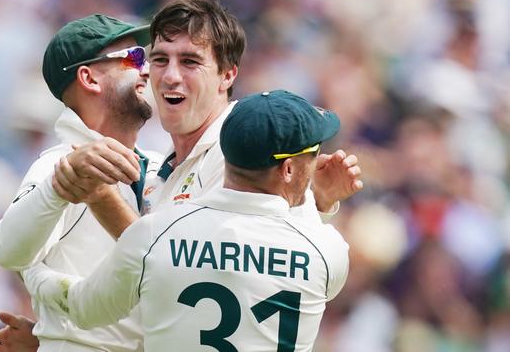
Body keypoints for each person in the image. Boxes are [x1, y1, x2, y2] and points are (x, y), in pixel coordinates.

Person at [0, 0, 362, 352]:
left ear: (228, 75)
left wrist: (54, 320)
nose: (165, 76)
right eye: (156, 59)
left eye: (190, 62)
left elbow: (164, 267)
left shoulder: (234, 162)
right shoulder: (156, 164)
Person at [23, 89, 350, 352]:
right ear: (289, 169)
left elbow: (85, 309)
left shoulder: (155, 233)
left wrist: (35, 274)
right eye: (313, 152)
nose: (317, 160)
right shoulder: (328, 251)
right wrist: (317, 198)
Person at [0, 14, 161, 352]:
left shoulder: (160, 164)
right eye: (133, 57)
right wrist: (59, 185)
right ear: (89, 78)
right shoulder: (57, 164)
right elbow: (8, 252)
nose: (146, 69)